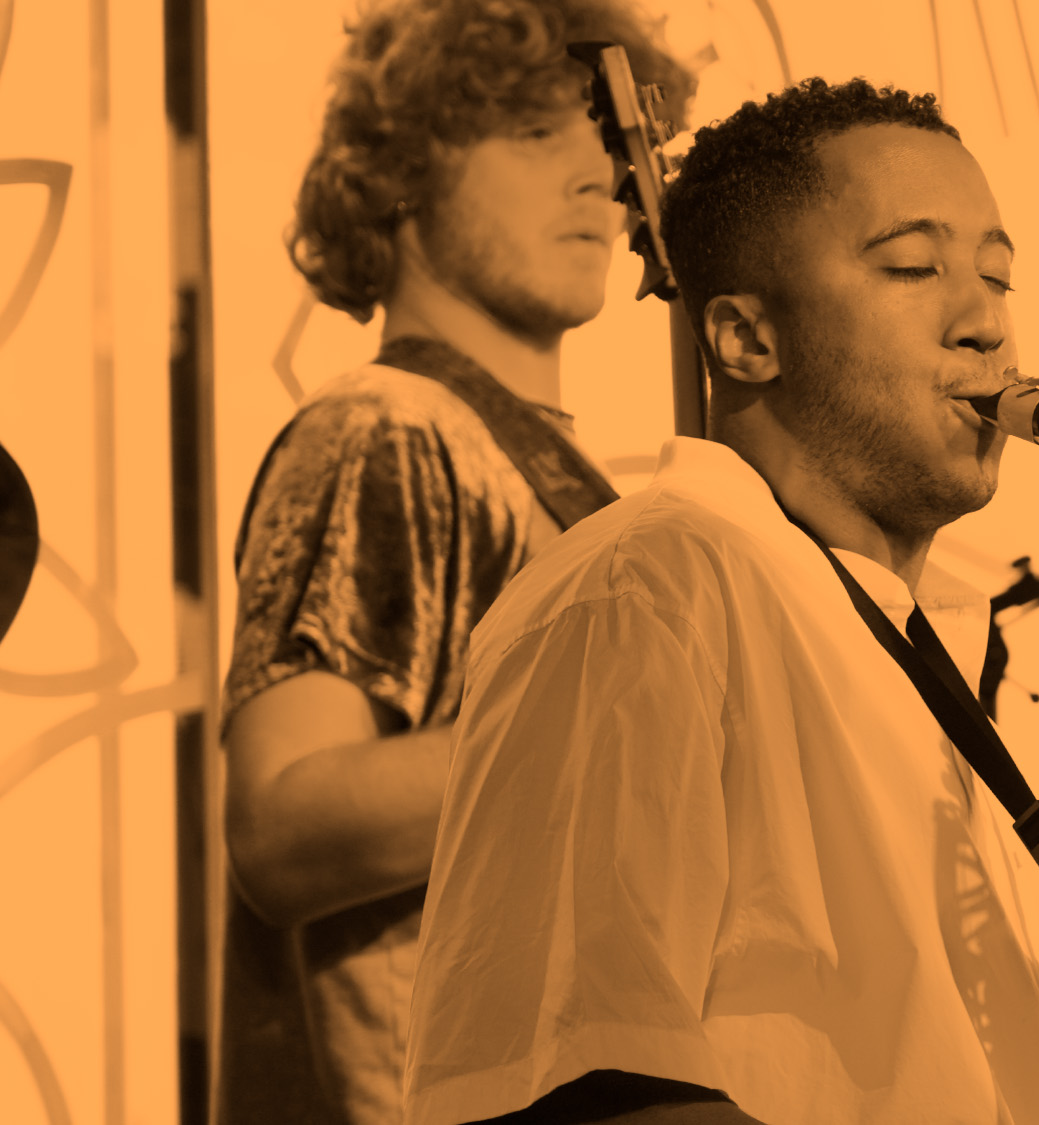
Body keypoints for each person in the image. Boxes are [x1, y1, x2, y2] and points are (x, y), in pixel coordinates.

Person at [399, 77, 1039, 1125]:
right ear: (745, 339)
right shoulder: (643, 591)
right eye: (912, 267)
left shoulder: (924, 649)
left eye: (998, 275)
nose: (986, 324)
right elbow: (578, 1086)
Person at [218, 3, 691, 1122]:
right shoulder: (386, 428)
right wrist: (628, 719)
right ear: (402, 172)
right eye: (534, 133)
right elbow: (282, 827)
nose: (597, 177)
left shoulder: (538, 466)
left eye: (606, 140)